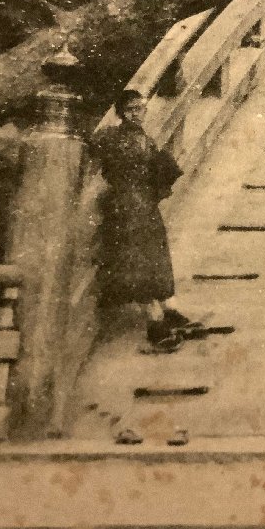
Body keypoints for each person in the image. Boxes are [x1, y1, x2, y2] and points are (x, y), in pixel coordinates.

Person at [89, 89, 199, 352]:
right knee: (139, 258)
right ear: (124, 112)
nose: (139, 114)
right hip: (127, 205)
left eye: (142, 108)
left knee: (154, 253)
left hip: (142, 203)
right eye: (134, 109)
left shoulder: (141, 139)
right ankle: (155, 321)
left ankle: (167, 309)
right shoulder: (113, 138)